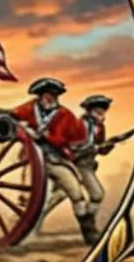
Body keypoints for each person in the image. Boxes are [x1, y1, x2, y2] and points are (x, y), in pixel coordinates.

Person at [11, 76, 103, 244]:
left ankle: (89, 232)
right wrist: (23, 128)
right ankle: (22, 233)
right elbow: (12, 116)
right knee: (28, 199)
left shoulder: (65, 115)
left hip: (55, 159)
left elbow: (76, 138)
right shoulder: (29, 108)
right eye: (46, 94)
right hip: (31, 160)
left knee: (77, 194)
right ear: (40, 96)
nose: (50, 98)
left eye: (53, 95)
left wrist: (52, 138)